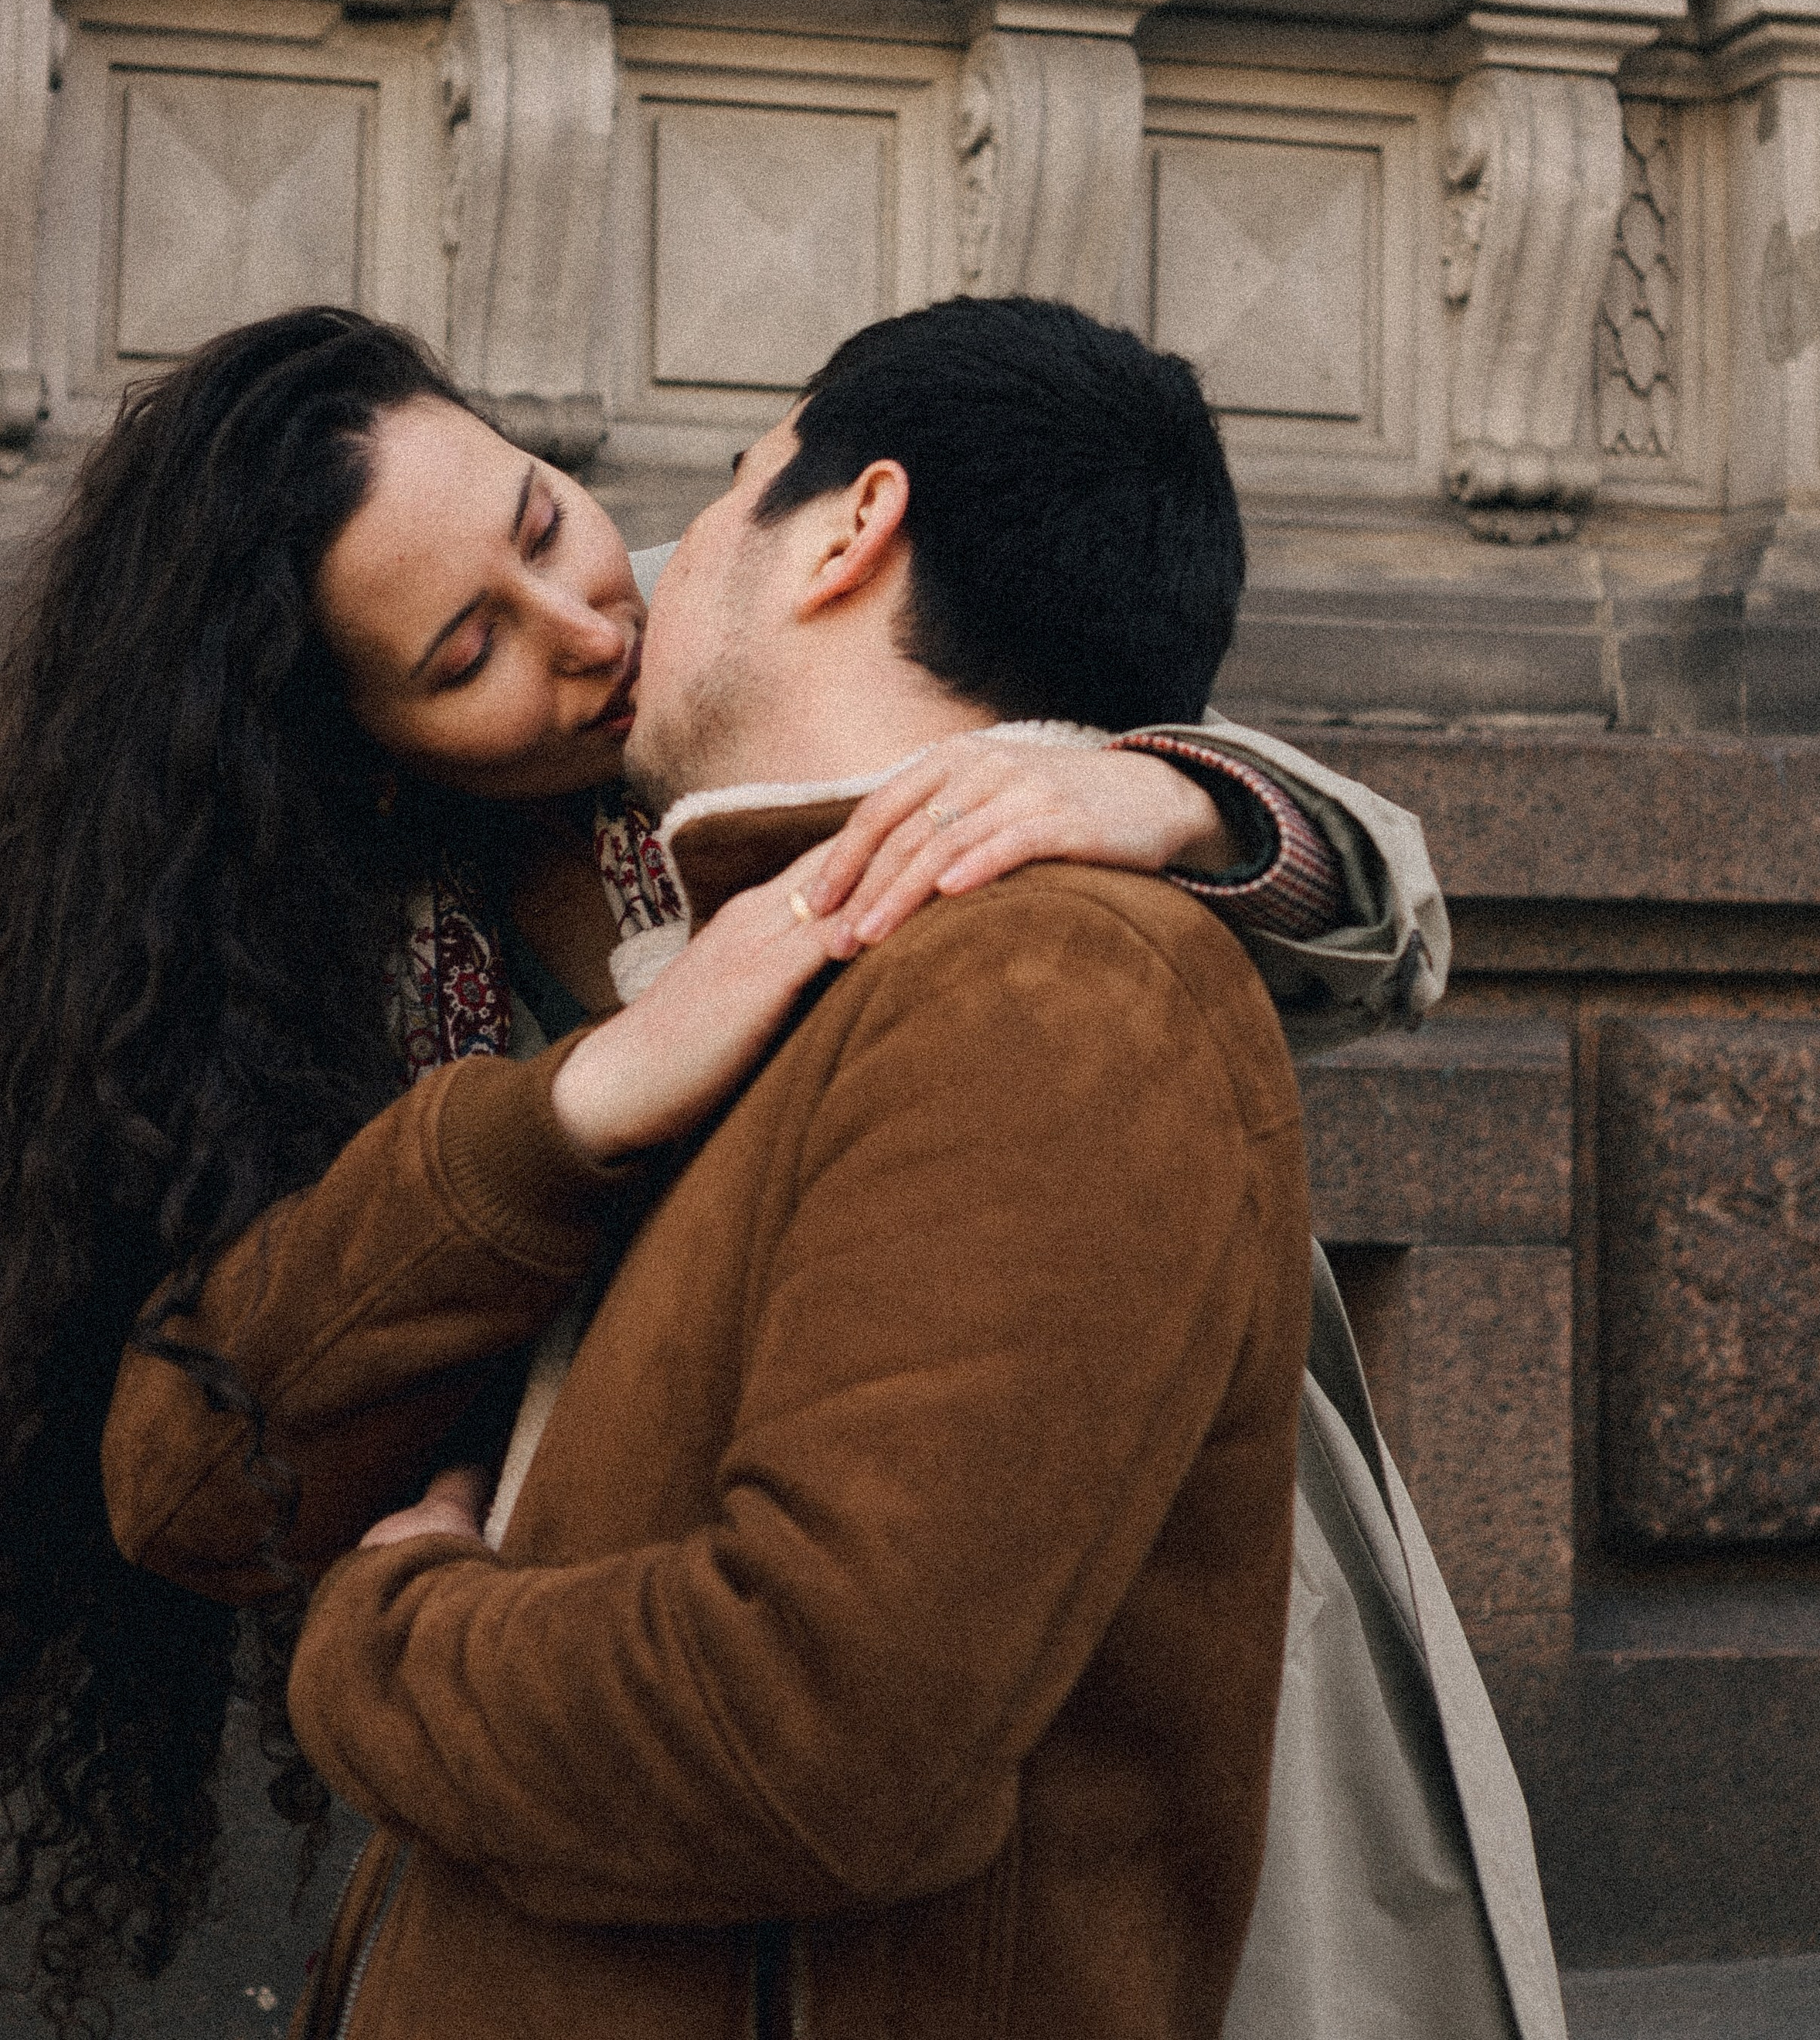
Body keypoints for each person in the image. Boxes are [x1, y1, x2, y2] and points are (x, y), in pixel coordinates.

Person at [0, 305, 1445, 2031]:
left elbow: (1310, 850)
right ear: (353, 756)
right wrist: (568, 1111)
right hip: (618, 1728)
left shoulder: (737, 623)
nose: (583, 625)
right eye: (466, 658)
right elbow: (187, 1460)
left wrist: (1175, 795)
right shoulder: (337, 966)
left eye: (545, 515)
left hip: (1064, 1656)